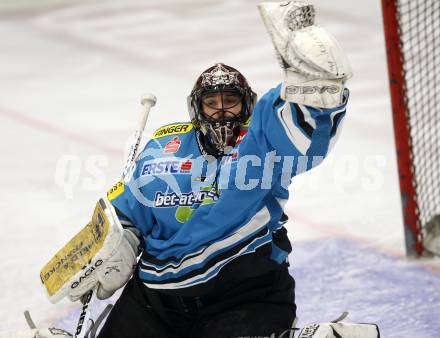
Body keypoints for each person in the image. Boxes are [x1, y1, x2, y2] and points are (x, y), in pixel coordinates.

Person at [62, 2, 352, 338]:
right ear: (196, 109)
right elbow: (129, 207)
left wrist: (313, 86)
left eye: (231, 102)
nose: (222, 112)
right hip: (158, 299)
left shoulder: (261, 143)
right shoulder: (163, 147)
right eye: (211, 104)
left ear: (248, 105)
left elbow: (304, 134)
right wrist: (118, 240)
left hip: (244, 293)